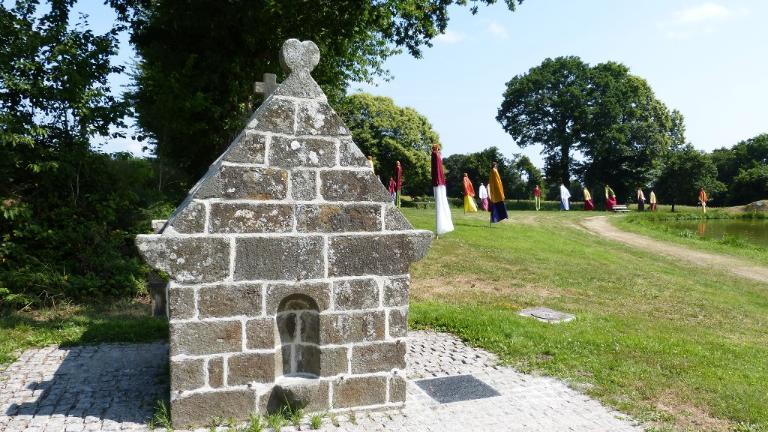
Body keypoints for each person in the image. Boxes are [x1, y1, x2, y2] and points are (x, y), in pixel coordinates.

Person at [431, 144, 454, 235]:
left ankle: (440, 227)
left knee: (440, 203)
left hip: (438, 181)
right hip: (440, 181)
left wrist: (437, 180)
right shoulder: (439, 155)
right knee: (441, 202)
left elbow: (436, 169)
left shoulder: (435, 154)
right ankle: (441, 227)